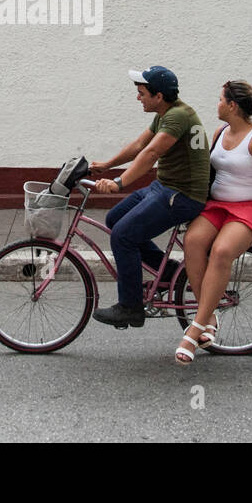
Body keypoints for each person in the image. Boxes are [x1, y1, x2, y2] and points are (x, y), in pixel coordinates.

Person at [90, 65, 210, 328]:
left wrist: (119, 183)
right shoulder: (167, 113)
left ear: (159, 96)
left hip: (182, 195)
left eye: (142, 93)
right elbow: (138, 146)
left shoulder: (178, 116)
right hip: (165, 187)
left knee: (123, 235)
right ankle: (168, 273)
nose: (138, 98)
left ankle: (130, 307)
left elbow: (151, 154)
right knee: (115, 218)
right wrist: (108, 165)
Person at [175, 80, 252, 364]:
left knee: (222, 251)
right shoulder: (220, 132)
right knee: (193, 242)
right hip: (218, 205)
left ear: (232, 106)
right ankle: (208, 316)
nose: (217, 104)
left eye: (220, 100)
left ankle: (194, 330)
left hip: (248, 209)